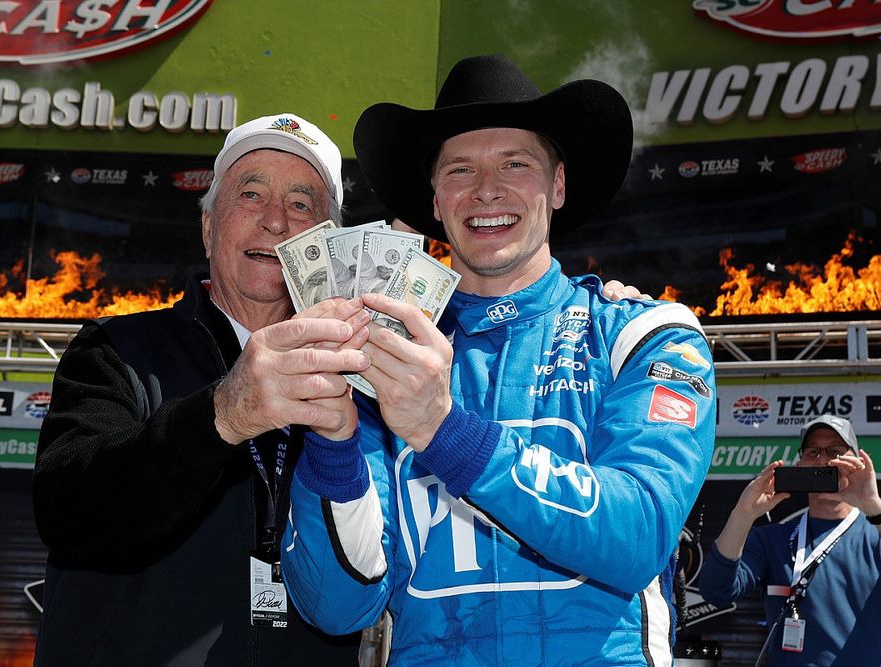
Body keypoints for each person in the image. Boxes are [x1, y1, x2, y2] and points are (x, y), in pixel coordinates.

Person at [280, 54, 717, 665]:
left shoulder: (644, 334)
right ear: (435, 199)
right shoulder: (378, 357)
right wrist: (331, 442)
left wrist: (444, 430)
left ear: (557, 185)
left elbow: (637, 534)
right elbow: (337, 607)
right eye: (460, 169)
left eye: (515, 163)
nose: (487, 189)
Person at [31, 112, 372, 665]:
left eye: (303, 204)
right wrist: (222, 415)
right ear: (209, 226)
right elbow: (69, 513)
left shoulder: (361, 377)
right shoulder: (116, 350)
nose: (277, 222)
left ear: (330, 243)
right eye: (252, 195)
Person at [699, 415, 881, 666]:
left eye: (835, 451)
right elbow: (716, 591)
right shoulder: (772, 539)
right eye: (813, 452)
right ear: (800, 464)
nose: (824, 460)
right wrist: (743, 513)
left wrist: (874, 506)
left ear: (856, 462)